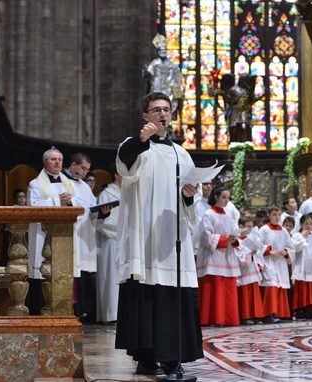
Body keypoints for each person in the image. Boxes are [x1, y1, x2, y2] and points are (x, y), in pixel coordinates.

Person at [115, 92, 202, 376]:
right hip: (145, 237)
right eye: (156, 110)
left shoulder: (182, 154)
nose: (162, 115)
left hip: (172, 238)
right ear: (145, 115)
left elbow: (192, 203)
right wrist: (142, 139)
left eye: (166, 110)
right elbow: (125, 167)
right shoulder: (134, 147)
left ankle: (172, 356)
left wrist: (189, 195)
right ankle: (146, 357)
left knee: (172, 294)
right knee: (146, 292)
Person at [26, 148, 77, 315]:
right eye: (53, 159)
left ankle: (60, 312)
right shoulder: (35, 184)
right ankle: (39, 312)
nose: (57, 162)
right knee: (41, 274)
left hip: (63, 235)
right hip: (43, 234)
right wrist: (57, 200)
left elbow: (78, 206)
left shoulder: (68, 183)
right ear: (45, 162)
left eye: (60, 160)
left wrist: (70, 202)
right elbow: (32, 208)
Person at [63, 152, 101, 324]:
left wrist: (103, 212)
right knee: (72, 272)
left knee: (83, 274)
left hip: (84, 236)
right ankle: (72, 309)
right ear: (73, 165)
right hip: (69, 235)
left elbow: (92, 207)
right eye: (83, 168)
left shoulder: (85, 187)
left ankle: (82, 311)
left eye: (87, 169)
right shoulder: (62, 182)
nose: (86, 172)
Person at [196, 185, 241, 326]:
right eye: (223, 197)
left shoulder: (228, 216)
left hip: (227, 256)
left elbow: (234, 231)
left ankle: (228, 318)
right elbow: (206, 236)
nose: (226, 201)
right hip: (213, 257)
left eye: (228, 198)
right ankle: (212, 319)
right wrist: (224, 240)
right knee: (214, 289)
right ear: (215, 197)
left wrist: (235, 239)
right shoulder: (209, 214)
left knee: (227, 288)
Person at [95, 165, 121, 323]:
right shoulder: (107, 194)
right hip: (110, 241)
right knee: (110, 278)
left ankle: (120, 313)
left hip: (123, 241)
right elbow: (101, 220)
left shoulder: (126, 193)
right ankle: (110, 314)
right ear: (117, 175)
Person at [259, 206, 294, 323]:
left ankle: (279, 312)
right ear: (269, 215)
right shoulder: (264, 229)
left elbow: (291, 247)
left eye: (279, 215)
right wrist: (269, 251)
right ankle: (268, 314)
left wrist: (286, 252)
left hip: (280, 262)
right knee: (271, 286)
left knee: (279, 287)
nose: (277, 217)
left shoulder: (284, 231)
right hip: (269, 261)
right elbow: (258, 246)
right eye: (274, 214)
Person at [290, 214, 312, 320]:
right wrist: (303, 237)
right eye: (306, 224)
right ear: (301, 224)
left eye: (310, 224)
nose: (308, 226)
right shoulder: (297, 235)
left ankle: (310, 311)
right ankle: (300, 311)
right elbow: (295, 248)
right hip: (302, 266)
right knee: (303, 290)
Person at [236, 216, 265, 325]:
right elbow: (237, 256)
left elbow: (259, 253)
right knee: (245, 295)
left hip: (252, 269)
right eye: (248, 227)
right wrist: (249, 254)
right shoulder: (236, 240)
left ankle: (256, 315)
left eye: (251, 227)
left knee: (254, 293)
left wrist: (259, 262)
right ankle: (245, 316)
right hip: (243, 272)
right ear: (240, 226)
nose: (250, 229)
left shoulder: (252, 239)